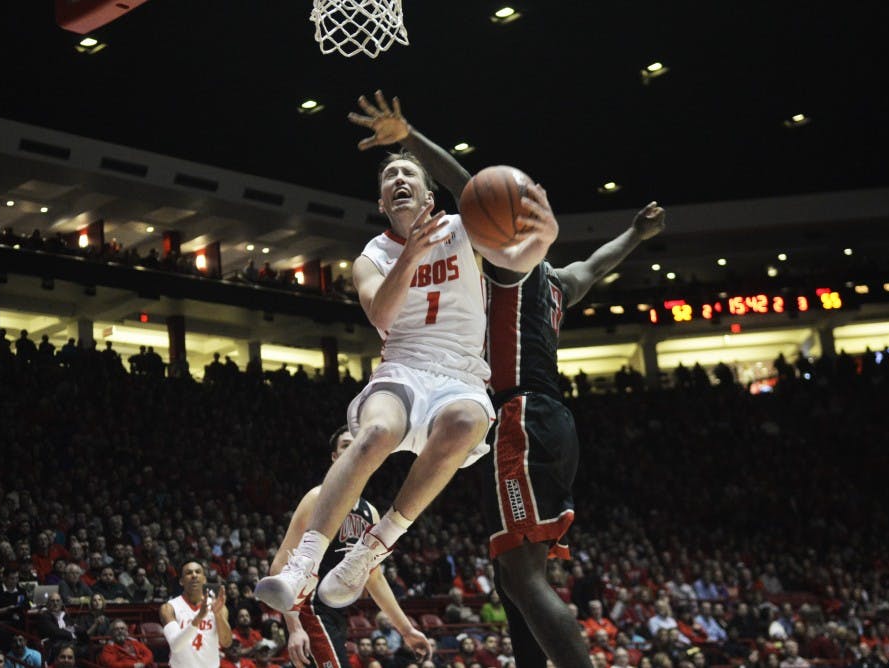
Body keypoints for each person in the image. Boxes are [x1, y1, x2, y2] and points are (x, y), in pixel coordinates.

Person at [346, 90, 664, 668]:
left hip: (517, 417)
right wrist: (637, 235)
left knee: (521, 575)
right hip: (552, 421)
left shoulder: (502, 269)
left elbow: (469, 188)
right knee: (512, 576)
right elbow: (598, 264)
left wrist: (410, 137)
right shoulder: (559, 280)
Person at [257, 92, 552, 617]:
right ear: (381, 204)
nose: (397, 180)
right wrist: (411, 253)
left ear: (428, 193)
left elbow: (479, 193)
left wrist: (409, 139)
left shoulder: (466, 229)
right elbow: (383, 317)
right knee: (376, 432)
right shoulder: (372, 255)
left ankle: (372, 549)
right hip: (403, 366)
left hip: (461, 373)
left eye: (406, 175)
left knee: (466, 421)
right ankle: (304, 565)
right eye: (387, 178)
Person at [262, 426, 429, 668]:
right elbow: (280, 565)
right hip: (309, 610)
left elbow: (374, 578)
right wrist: (295, 627)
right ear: (335, 457)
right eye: (345, 445)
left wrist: (406, 630)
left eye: (358, 444)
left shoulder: (369, 511)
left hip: (337, 615)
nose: (354, 449)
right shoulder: (316, 498)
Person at [159, 562, 231, 668]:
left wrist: (218, 615)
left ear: (204, 579)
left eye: (198, 572)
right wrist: (199, 617)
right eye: (189, 573)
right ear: (181, 581)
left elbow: (226, 642)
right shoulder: (169, 608)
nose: (194, 575)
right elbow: (175, 645)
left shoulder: (217, 606)